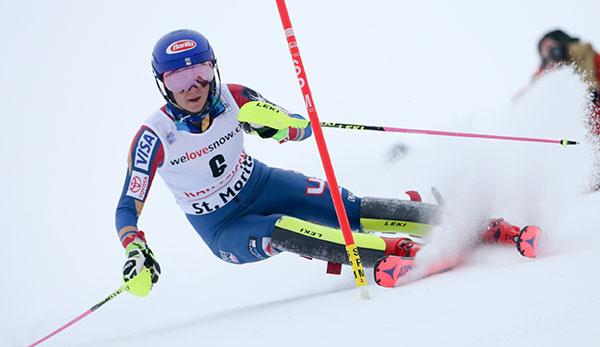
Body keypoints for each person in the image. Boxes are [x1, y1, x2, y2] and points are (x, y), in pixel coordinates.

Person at [116, 29, 529, 295]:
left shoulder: (234, 97)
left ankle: (472, 224)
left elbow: (302, 128)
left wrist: (277, 126)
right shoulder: (155, 136)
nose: (194, 87)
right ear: (162, 83)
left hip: (261, 183)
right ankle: (395, 252)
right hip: (223, 226)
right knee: (282, 230)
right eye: (179, 79)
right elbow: (127, 207)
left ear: (214, 68)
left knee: (350, 207)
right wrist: (135, 248)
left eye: (202, 72)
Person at [534, 29, 600, 134]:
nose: (552, 51)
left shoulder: (587, 56)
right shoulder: (544, 76)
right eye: (546, 49)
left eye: (552, 45)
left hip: (593, 112)